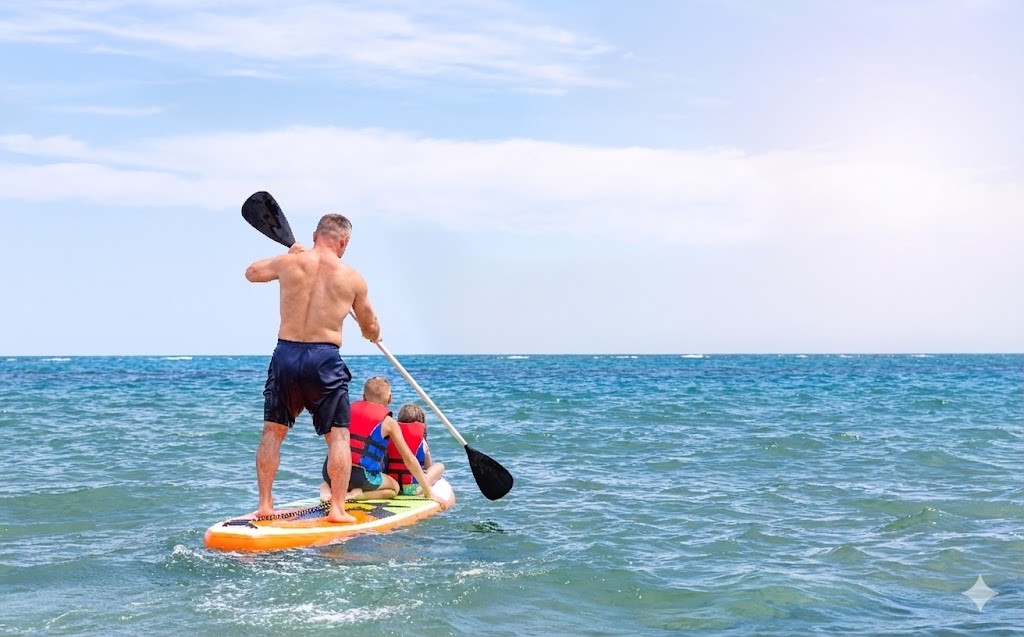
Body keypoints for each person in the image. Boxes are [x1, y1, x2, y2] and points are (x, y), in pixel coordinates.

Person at [245, 213, 381, 524]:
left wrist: (288, 257)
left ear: (315, 234)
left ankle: (265, 505)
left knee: (273, 431)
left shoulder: (289, 263)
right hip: (324, 358)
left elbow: (251, 272)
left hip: (286, 354)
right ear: (343, 241)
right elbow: (369, 325)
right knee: (338, 437)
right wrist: (374, 333)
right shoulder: (352, 277)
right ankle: (337, 509)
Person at [318, 377, 449, 509]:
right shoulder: (389, 423)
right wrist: (428, 492)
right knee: (394, 488)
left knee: (326, 481)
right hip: (362, 477)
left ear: (363, 396)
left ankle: (326, 493)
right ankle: (358, 495)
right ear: (390, 398)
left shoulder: (346, 411)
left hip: (332, 471)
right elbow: (409, 459)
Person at [388, 403, 446, 496]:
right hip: (415, 488)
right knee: (440, 466)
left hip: (393, 485)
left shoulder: (390, 437)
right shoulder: (422, 442)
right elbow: (428, 467)